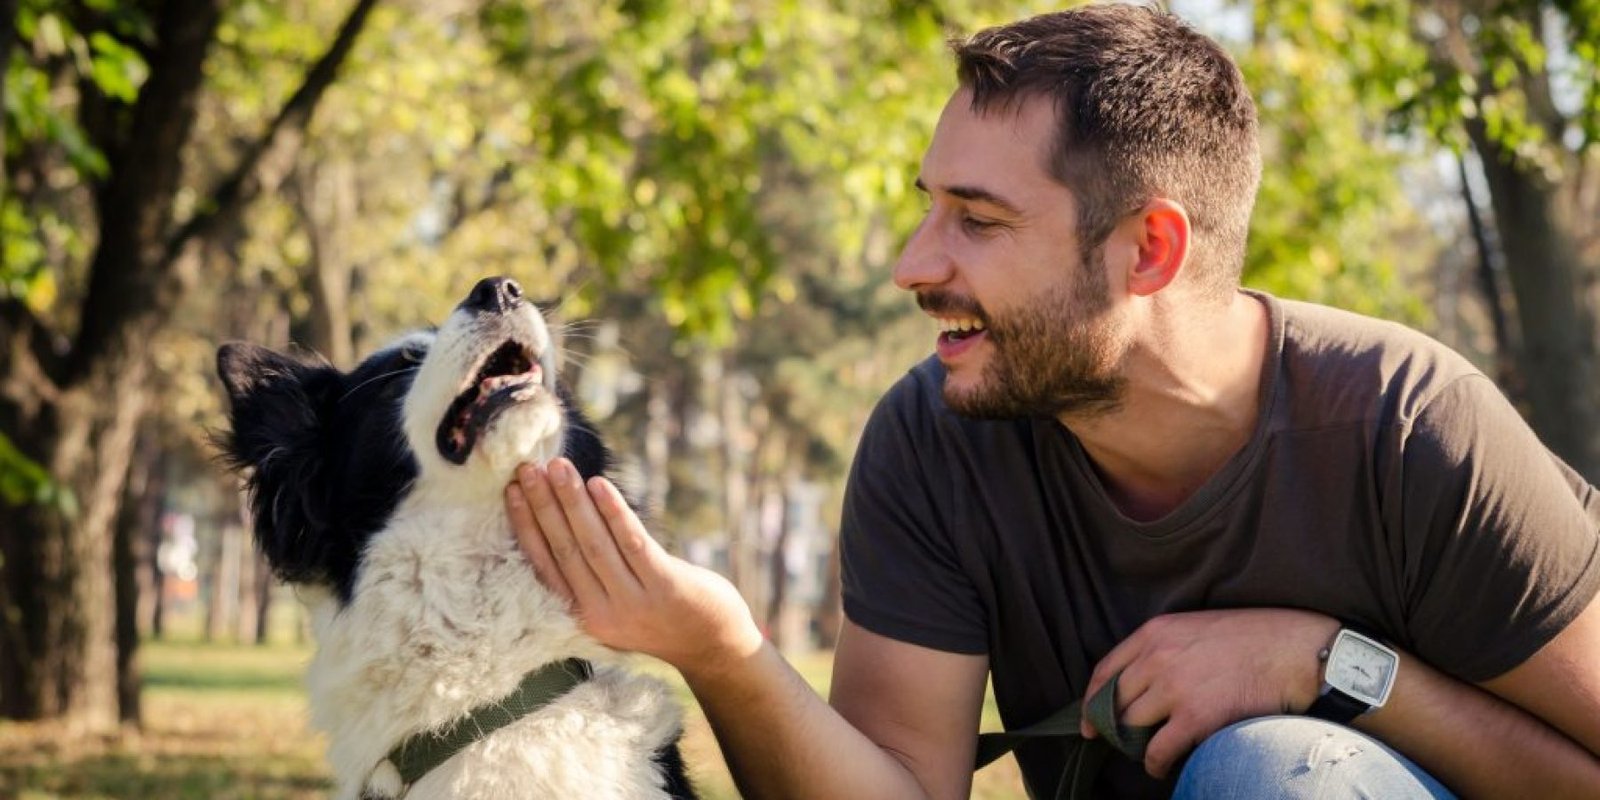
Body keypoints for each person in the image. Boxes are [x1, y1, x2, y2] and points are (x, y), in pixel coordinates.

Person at [503, 4, 1600, 798]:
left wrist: (1332, 669)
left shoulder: (1409, 430)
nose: (914, 264)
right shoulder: (934, 436)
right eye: (929, 208)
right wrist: (721, 648)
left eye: (978, 221)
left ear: (1148, 249)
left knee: (1273, 768)